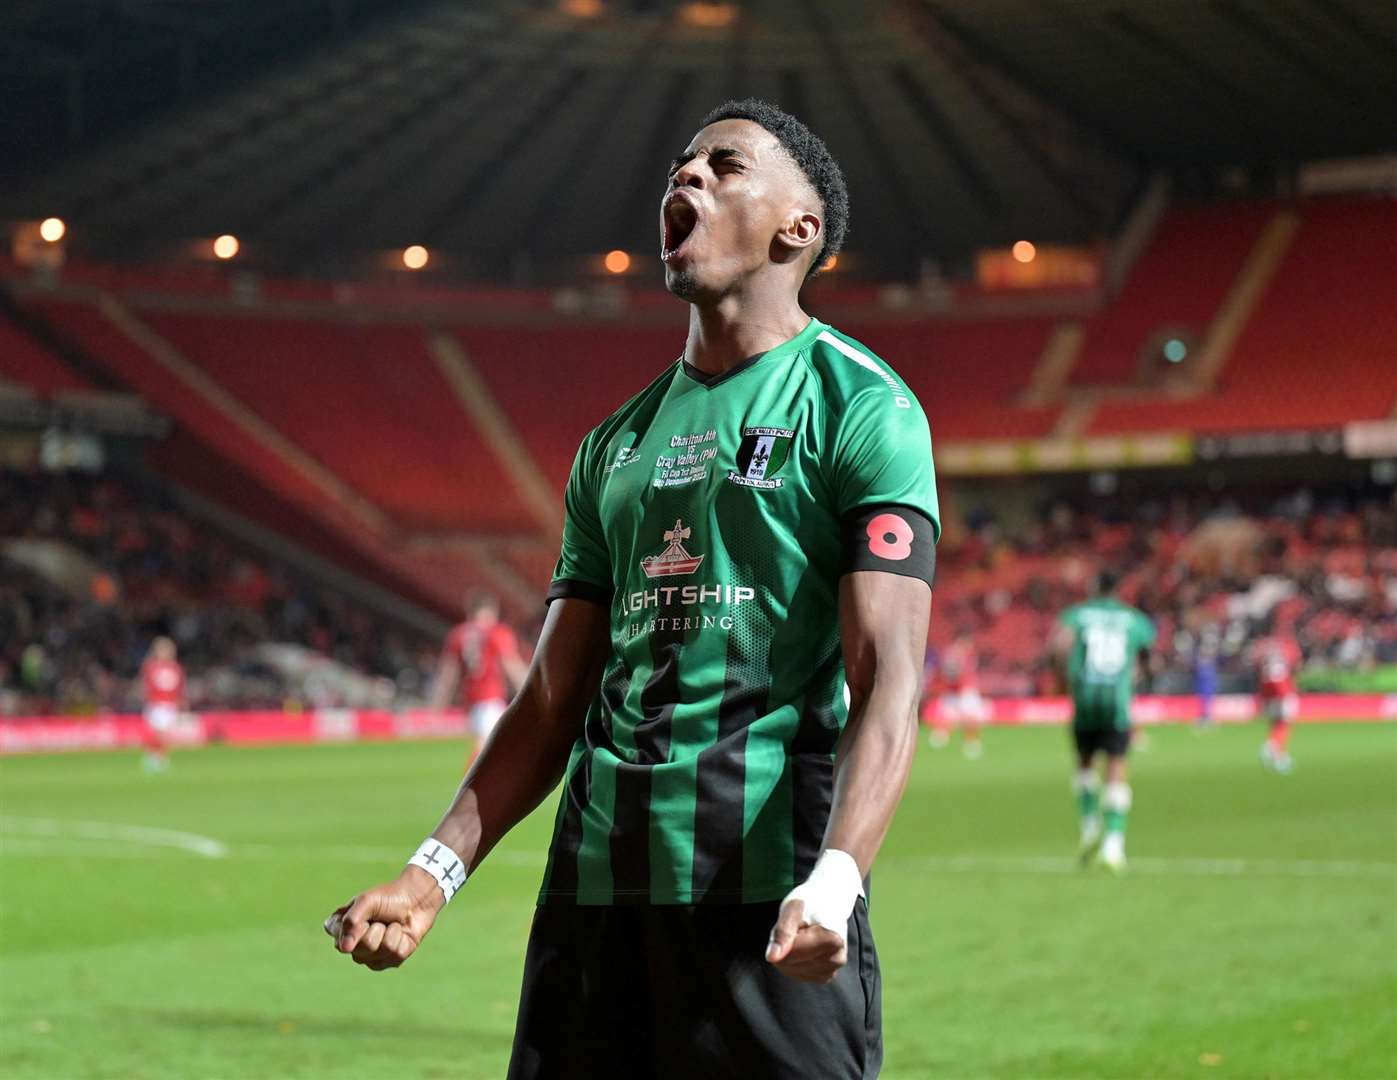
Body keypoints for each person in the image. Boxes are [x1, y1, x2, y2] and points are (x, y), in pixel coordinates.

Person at [324, 98, 938, 1078]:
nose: (684, 178)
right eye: (679, 167)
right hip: (592, 900)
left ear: (799, 227)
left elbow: (888, 677)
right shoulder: (612, 446)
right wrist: (431, 872)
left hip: (765, 901)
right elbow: (548, 704)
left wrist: (836, 878)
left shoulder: (860, 406)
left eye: (724, 165)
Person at [1053, 571, 1155, 873]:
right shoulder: (1135, 619)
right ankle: (1113, 845)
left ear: (1093, 589)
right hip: (1116, 704)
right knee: (1116, 770)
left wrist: (1066, 678)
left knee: (1084, 766)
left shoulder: (1077, 615)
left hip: (1084, 700)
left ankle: (1088, 824)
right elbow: (1147, 658)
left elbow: (1058, 646)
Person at [428, 591, 527, 764]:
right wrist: (529, 690)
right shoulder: (497, 632)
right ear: (491, 611)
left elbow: (448, 673)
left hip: (471, 702)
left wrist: (439, 701)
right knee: (488, 750)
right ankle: (474, 787)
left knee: (488, 747)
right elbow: (511, 665)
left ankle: (480, 786)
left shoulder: (458, 634)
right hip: (490, 699)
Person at [1251, 630, 1301, 773]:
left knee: (1275, 724)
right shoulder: (1287, 648)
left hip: (1269, 690)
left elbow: (1259, 671)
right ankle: (1271, 747)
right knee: (1283, 724)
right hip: (1282, 690)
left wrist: (1261, 700)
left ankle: (1278, 755)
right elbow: (1293, 666)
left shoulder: (1264, 649)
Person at [139, 636, 184, 773]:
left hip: (169, 704)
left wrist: (180, 700)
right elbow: (146, 685)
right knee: (157, 733)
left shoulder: (176, 667)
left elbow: (179, 687)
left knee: (164, 734)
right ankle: (156, 757)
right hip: (156, 704)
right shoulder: (151, 667)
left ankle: (157, 758)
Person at [939, 634, 987, 758]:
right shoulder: (954, 654)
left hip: (964, 689)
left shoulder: (965, 654)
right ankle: (970, 742)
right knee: (967, 717)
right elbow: (951, 673)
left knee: (963, 717)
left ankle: (968, 741)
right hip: (962, 690)